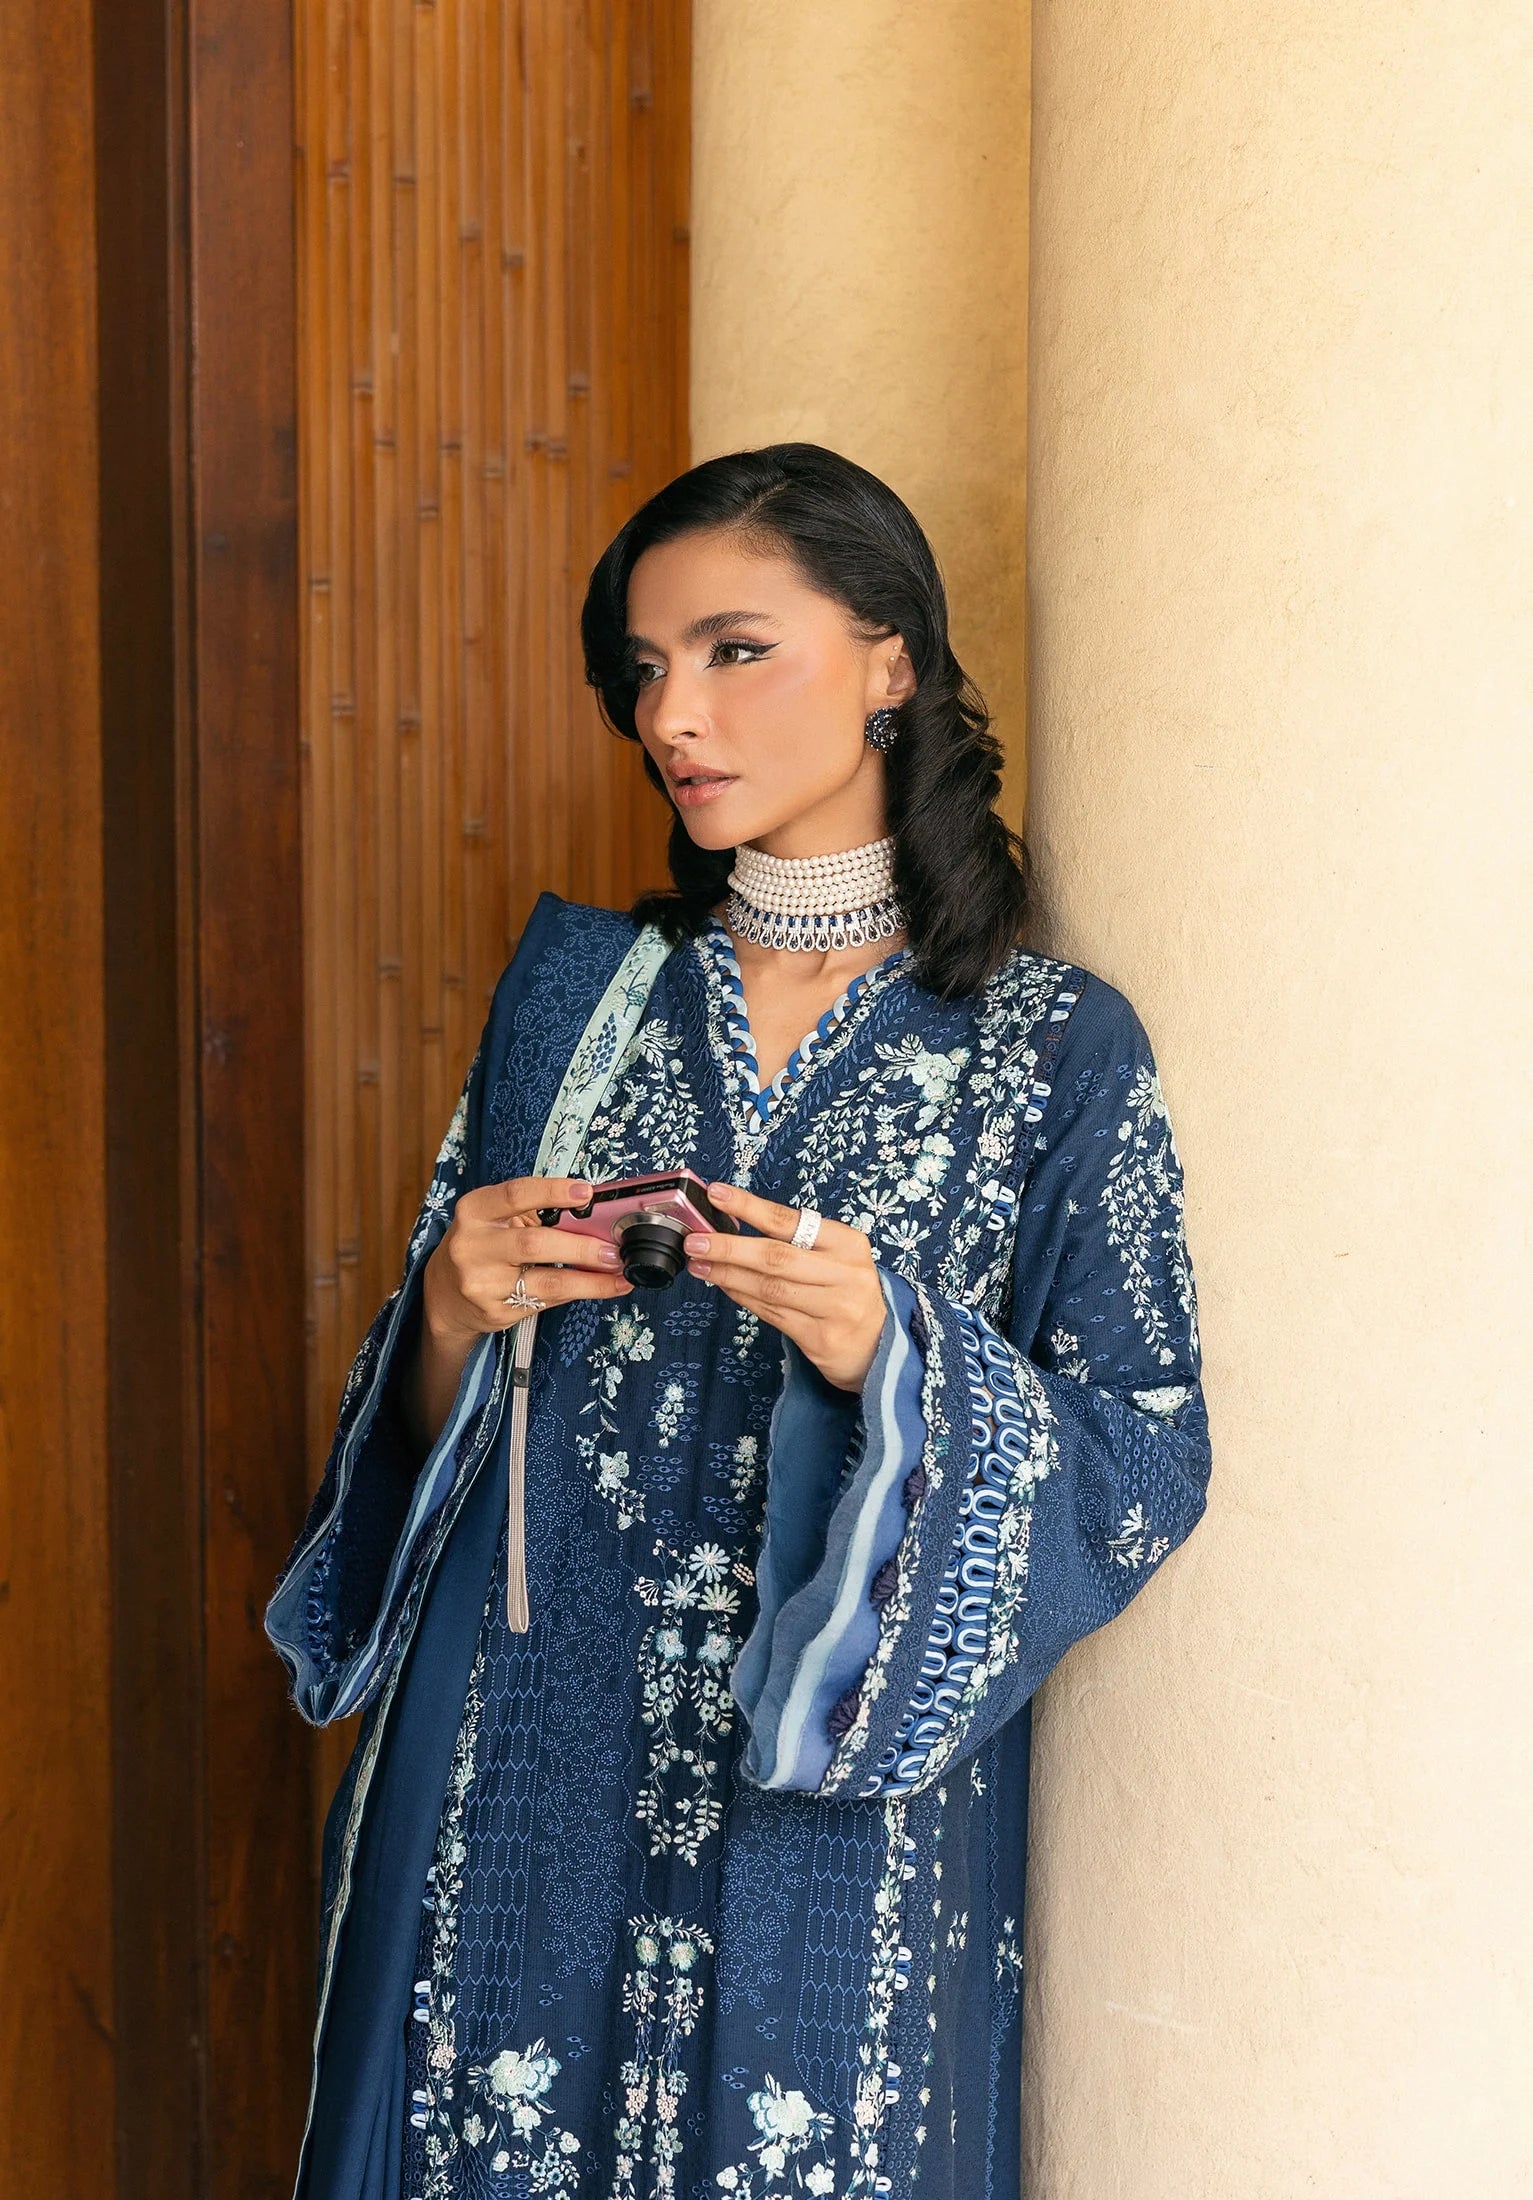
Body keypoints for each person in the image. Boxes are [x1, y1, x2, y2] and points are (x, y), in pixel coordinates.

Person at [266, 441, 1212, 2200]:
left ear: (890, 659)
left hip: (831, 1803)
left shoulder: (1044, 1048)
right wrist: (452, 1317)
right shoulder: (579, 999)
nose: (671, 715)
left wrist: (894, 1351)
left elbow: (1143, 1450)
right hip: (523, 1755)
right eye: (643, 671)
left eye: (732, 650)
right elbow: (413, 1443)